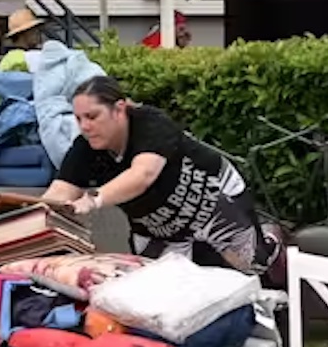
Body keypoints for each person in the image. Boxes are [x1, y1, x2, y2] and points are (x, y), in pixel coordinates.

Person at [43, 76, 267, 273]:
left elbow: (143, 175)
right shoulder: (86, 148)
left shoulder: (150, 123)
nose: (85, 126)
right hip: (156, 229)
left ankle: (275, 249)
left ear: (119, 109)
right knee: (161, 292)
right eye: (79, 119)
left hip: (212, 203)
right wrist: (34, 217)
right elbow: (61, 190)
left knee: (251, 268)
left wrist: (93, 199)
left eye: (92, 117)